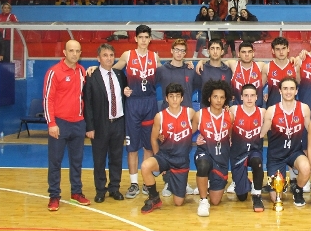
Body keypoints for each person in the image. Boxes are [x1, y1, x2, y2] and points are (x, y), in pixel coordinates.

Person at [91, 25, 160, 199]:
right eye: (141, 37)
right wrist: (94, 68)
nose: (144, 40)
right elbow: (111, 69)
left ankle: (147, 181)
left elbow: (168, 72)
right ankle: (134, 183)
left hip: (150, 103)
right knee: (132, 146)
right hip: (133, 104)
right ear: (136, 39)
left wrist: (189, 64)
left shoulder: (155, 57)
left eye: (146, 37)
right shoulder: (128, 55)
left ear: (150, 39)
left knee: (148, 145)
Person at [43, 40, 90, 211]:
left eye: (77, 51)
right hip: (59, 124)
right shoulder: (54, 72)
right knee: (55, 162)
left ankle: (76, 192)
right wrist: (51, 123)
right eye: (71, 50)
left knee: (76, 161)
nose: (74, 54)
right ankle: (54, 196)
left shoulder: (82, 71)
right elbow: (48, 99)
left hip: (78, 124)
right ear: (64, 52)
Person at [139, 83, 197, 213]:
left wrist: (190, 133)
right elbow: (153, 138)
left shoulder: (190, 112)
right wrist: (158, 157)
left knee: (178, 202)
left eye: (177, 96)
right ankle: (154, 198)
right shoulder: (160, 116)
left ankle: (177, 185)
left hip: (181, 160)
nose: (175, 99)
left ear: (182, 98)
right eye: (171, 96)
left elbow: (202, 120)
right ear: (166, 98)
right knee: (145, 166)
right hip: (164, 156)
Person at [84, 44, 129, 203]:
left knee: (116, 158)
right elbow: (87, 103)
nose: (109, 58)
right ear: (98, 58)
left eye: (111, 55)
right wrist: (89, 127)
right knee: (99, 159)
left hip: (118, 122)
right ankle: (100, 190)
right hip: (100, 124)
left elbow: (126, 94)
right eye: (105, 55)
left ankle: (114, 188)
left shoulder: (119, 75)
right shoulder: (91, 76)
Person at [261, 77, 311, 206]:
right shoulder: (272, 111)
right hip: (276, 156)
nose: (288, 92)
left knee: (306, 168)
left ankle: (297, 189)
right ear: (280, 91)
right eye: (285, 88)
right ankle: (277, 183)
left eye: (291, 88)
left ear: (296, 91)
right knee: (276, 198)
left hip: (294, 153)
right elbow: (261, 134)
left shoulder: (304, 108)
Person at [194, 80, 233, 216]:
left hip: (221, 159)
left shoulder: (229, 115)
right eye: (215, 96)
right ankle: (203, 200)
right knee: (203, 165)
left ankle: (207, 183)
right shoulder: (200, 115)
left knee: (216, 201)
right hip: (205, 153)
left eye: (222, 97)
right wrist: (195, 140)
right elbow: (186, 134)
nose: (218, 100)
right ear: (209, 97)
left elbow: (231, 136)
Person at [229, 84, 266, 211]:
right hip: (238, 153)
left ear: (256, 97)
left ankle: (257, 194)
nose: (249, 99)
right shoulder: (234, 110)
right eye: (246, 96)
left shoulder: (262, 112)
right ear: (241, 97)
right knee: (242, 197)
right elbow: (222, 125)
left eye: (252, 96)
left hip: (254, 151)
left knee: (257, 161)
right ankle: (247, 183)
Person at [262, 37, 297, 107]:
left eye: (283, 48)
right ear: (273, 51)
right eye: (277, 49)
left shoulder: (295, 66)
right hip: (272, 108)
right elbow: (259, 87)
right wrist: (264, 93)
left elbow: (300, 87)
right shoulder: (267, 67)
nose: (281, 52)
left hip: (291, 109)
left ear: (288, 49)